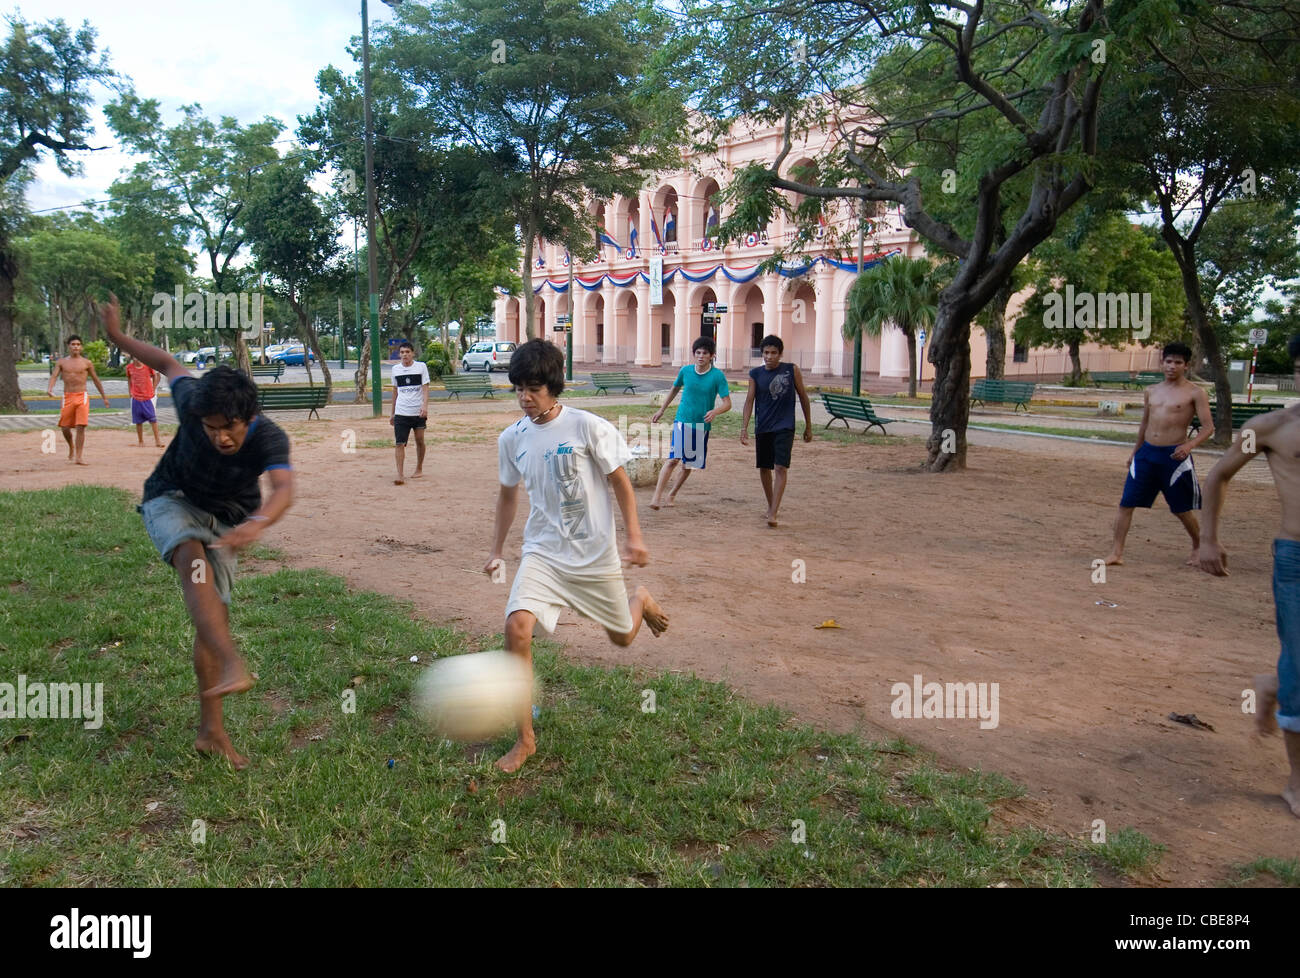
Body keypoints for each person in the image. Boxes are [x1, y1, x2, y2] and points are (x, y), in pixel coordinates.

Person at [98, 295, 294, 770]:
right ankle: (232, 661)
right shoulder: (192, 401)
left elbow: (285, 489)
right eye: (211, 429)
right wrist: (118, 337)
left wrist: (257, 524)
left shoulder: (268, 435)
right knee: (191, 559)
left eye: (229, 429)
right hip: (172, 497)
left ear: (248, 417)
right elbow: (167, 362)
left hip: (228, 518)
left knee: (210, 615)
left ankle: (211, 731)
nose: (220, 438)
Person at [484, 339, 669, 773]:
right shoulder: (511, 439)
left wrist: (635, 536)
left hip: (593, 555)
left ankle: (638, 600)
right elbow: (507, 496)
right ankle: (525, 741)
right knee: (516, 629)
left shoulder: (588, 426)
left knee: (622, 637)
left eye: (534, 388)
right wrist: (495, 550)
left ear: (554, 386)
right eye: (518, 389)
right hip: (543, 553)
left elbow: (621, 483)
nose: (525, 397)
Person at [1198, 334, 1300, 818]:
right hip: (1295, 560)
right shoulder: (1269, 427)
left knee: (1298, 666)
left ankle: (1274, 683)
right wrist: (1207, 539)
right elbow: (1217, 475)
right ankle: (1296, 784)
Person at [1105, 343, 1215, 566]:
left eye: (1177, 362)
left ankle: (1197, 545)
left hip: (1174, 457)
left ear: (1186, 365)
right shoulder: (1151, 391)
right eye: (1168, 361)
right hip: (1147, 454)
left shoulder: (1195, 392)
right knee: (1126, 503)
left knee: (1181, 509)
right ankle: (1116, 553)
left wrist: (1189, 446)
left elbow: (1208, 427)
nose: (1172, 366)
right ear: (1162, 363)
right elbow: (1145, 423)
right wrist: (1135, 452)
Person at [649, 336, 732, 510]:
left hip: (701, 426)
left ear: (712, 356)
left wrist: (715, 412)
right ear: (694, 354)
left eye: (705, 353)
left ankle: (672, 494)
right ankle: (656, 497)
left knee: (688, 465)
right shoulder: (685, 371)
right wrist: (661, 410)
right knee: (673, 459)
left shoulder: (717, 376)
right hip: (682, 420)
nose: (701, 356)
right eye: (698, 353)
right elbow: (674, 389)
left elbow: (727, 403)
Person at [740, 335, 812, 527]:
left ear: (780, 354)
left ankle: (773, 512)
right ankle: (771, 504)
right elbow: (749, 401)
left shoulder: (791, 370)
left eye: (773, 353)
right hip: (763, 426)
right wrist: (744, 427)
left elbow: (804, 397)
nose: (769, 356)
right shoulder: (755, 374)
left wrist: (808, 426)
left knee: (780, 467)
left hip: (784, 426)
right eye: (766, 352)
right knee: (764, 468)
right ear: (761, 354)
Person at [46, 335, 111, 465]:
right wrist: (50, 389)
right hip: (68, 396)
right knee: (65, 427)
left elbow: (96, 380)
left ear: (81, 347)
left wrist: (104, 397)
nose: (75, 346)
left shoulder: (87, 363)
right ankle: (71, 446)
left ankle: (79, 456)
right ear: (69, 346)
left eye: (78, 344)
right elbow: (54, 376)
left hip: (82, 396)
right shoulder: (62, 362)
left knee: (80, 426)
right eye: (73, 344)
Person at [389, 340, 429, 485]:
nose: (405, 355)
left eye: (407, 352)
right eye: (402, 352)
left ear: (412, 353)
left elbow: (425, 388)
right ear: (399, 355)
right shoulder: (395, 370)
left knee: (419, 440)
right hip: (401, 412)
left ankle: (419, 468)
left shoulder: (421, 367)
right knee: (400, 443)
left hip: (417, 411)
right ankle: (400, 474)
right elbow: (395, 392)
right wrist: (392, 413)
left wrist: (424, 406)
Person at [125, 354, 164, 448]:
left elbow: (155, 376)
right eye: (134, 357)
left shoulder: (148, 366)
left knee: (153, 419)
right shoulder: (129, 368)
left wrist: (153, 388)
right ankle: (141, 441)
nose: (137, 359)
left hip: (147, 397)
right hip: (136, 397)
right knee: (138, 421)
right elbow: (129, 379)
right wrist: (130, 391)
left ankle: (157, 440)